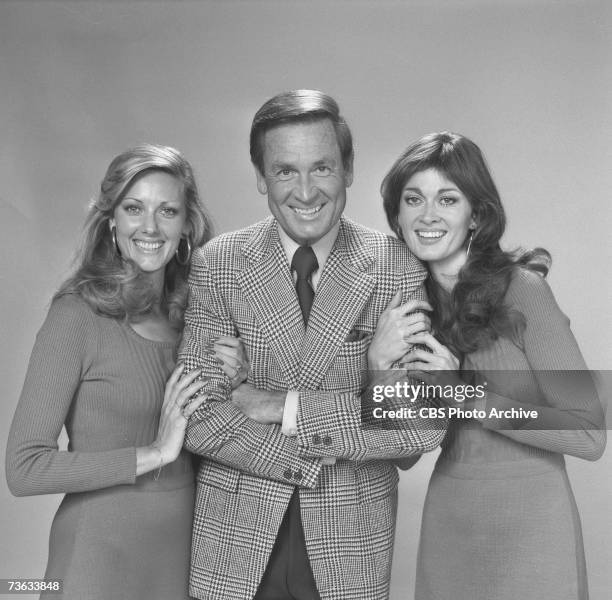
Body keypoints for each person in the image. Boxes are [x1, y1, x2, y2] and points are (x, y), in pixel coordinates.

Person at [179, 90, 446, 600]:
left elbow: (419, 426)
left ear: (348, 168)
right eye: (284, 171)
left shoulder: (396, 265)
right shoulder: (218, 264)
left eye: (321, 168)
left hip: (350, 545)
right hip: (233, 540)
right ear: (261, 177)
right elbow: (198, 416)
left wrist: (278, 405)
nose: (305, 191)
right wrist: (352, 413)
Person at [370, 131, 606, 600]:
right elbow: (403, 454)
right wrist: (378, 370)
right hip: (451, 519)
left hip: (533, 522)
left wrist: (463, 394)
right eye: (413, 199)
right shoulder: (405, 310)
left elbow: (590, 433)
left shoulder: (522, 291)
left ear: (476, 214)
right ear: (397, 216)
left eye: (448, 199)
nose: (428, 215)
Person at [5, 144, 217, 600]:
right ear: (112, 221)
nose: (150, 227)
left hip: (181, 556)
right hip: (97, 558)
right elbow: (24, 469)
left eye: (167, 210)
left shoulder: (196, 322)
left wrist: (232, 379)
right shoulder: (76, 316)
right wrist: (155, 452)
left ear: (185, 226)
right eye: (134, 208)